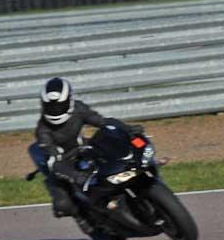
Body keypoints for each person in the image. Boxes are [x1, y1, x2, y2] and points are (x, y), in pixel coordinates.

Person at [28, 77, 142, 224]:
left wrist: (127, 129)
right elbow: (54, 160)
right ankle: (83, 220)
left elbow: (102, 122)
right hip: (64, 163)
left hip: (84, 149)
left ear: (69, 100)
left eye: (59, 105)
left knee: (111, 151)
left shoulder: (78, 109)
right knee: (63, 205)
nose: (55, 109)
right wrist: (75, 176)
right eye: (51, 106)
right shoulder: (42, 129)